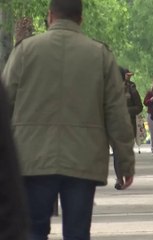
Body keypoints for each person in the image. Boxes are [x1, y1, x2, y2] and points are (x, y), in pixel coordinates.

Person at [1, 0, 135, 239]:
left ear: (50, 16)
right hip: (83, 159)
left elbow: (5, 104)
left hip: (32, 157)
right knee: (77, 231)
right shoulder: (100, 55)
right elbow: (116, 113)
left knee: (32, 229)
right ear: (80, 19)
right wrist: (125, 163)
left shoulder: (24, 51)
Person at [0, 82, 29, 240]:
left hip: (34, 152)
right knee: (77, 231)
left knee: (38, 229)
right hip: (81, 155)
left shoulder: (22, 56)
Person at [114, 67, 142, 190]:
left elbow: (139, 107)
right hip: (114, 126)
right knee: (117, 153)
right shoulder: (108, 90)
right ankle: (119, 179)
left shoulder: (132, 89)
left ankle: (127, 174)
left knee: (125, 152)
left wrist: (126, 111)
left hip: (128, 126)